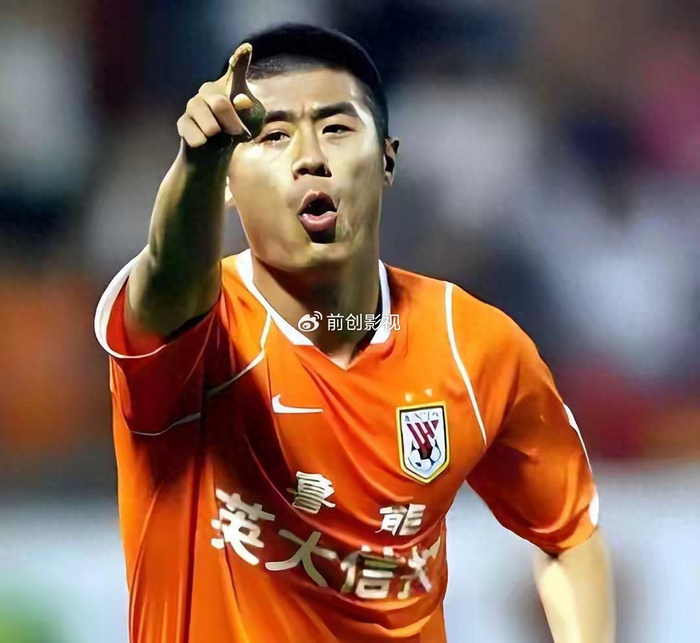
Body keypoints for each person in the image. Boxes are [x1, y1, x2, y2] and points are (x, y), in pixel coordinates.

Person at [94, 23, 615, 643]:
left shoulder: (474, 345)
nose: (310, 157)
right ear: (228, 182)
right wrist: (197, 163)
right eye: (273, 135)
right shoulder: (197, 337)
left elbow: (567, 536)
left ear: (387, 160)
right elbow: (171, 274)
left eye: (336, 128)